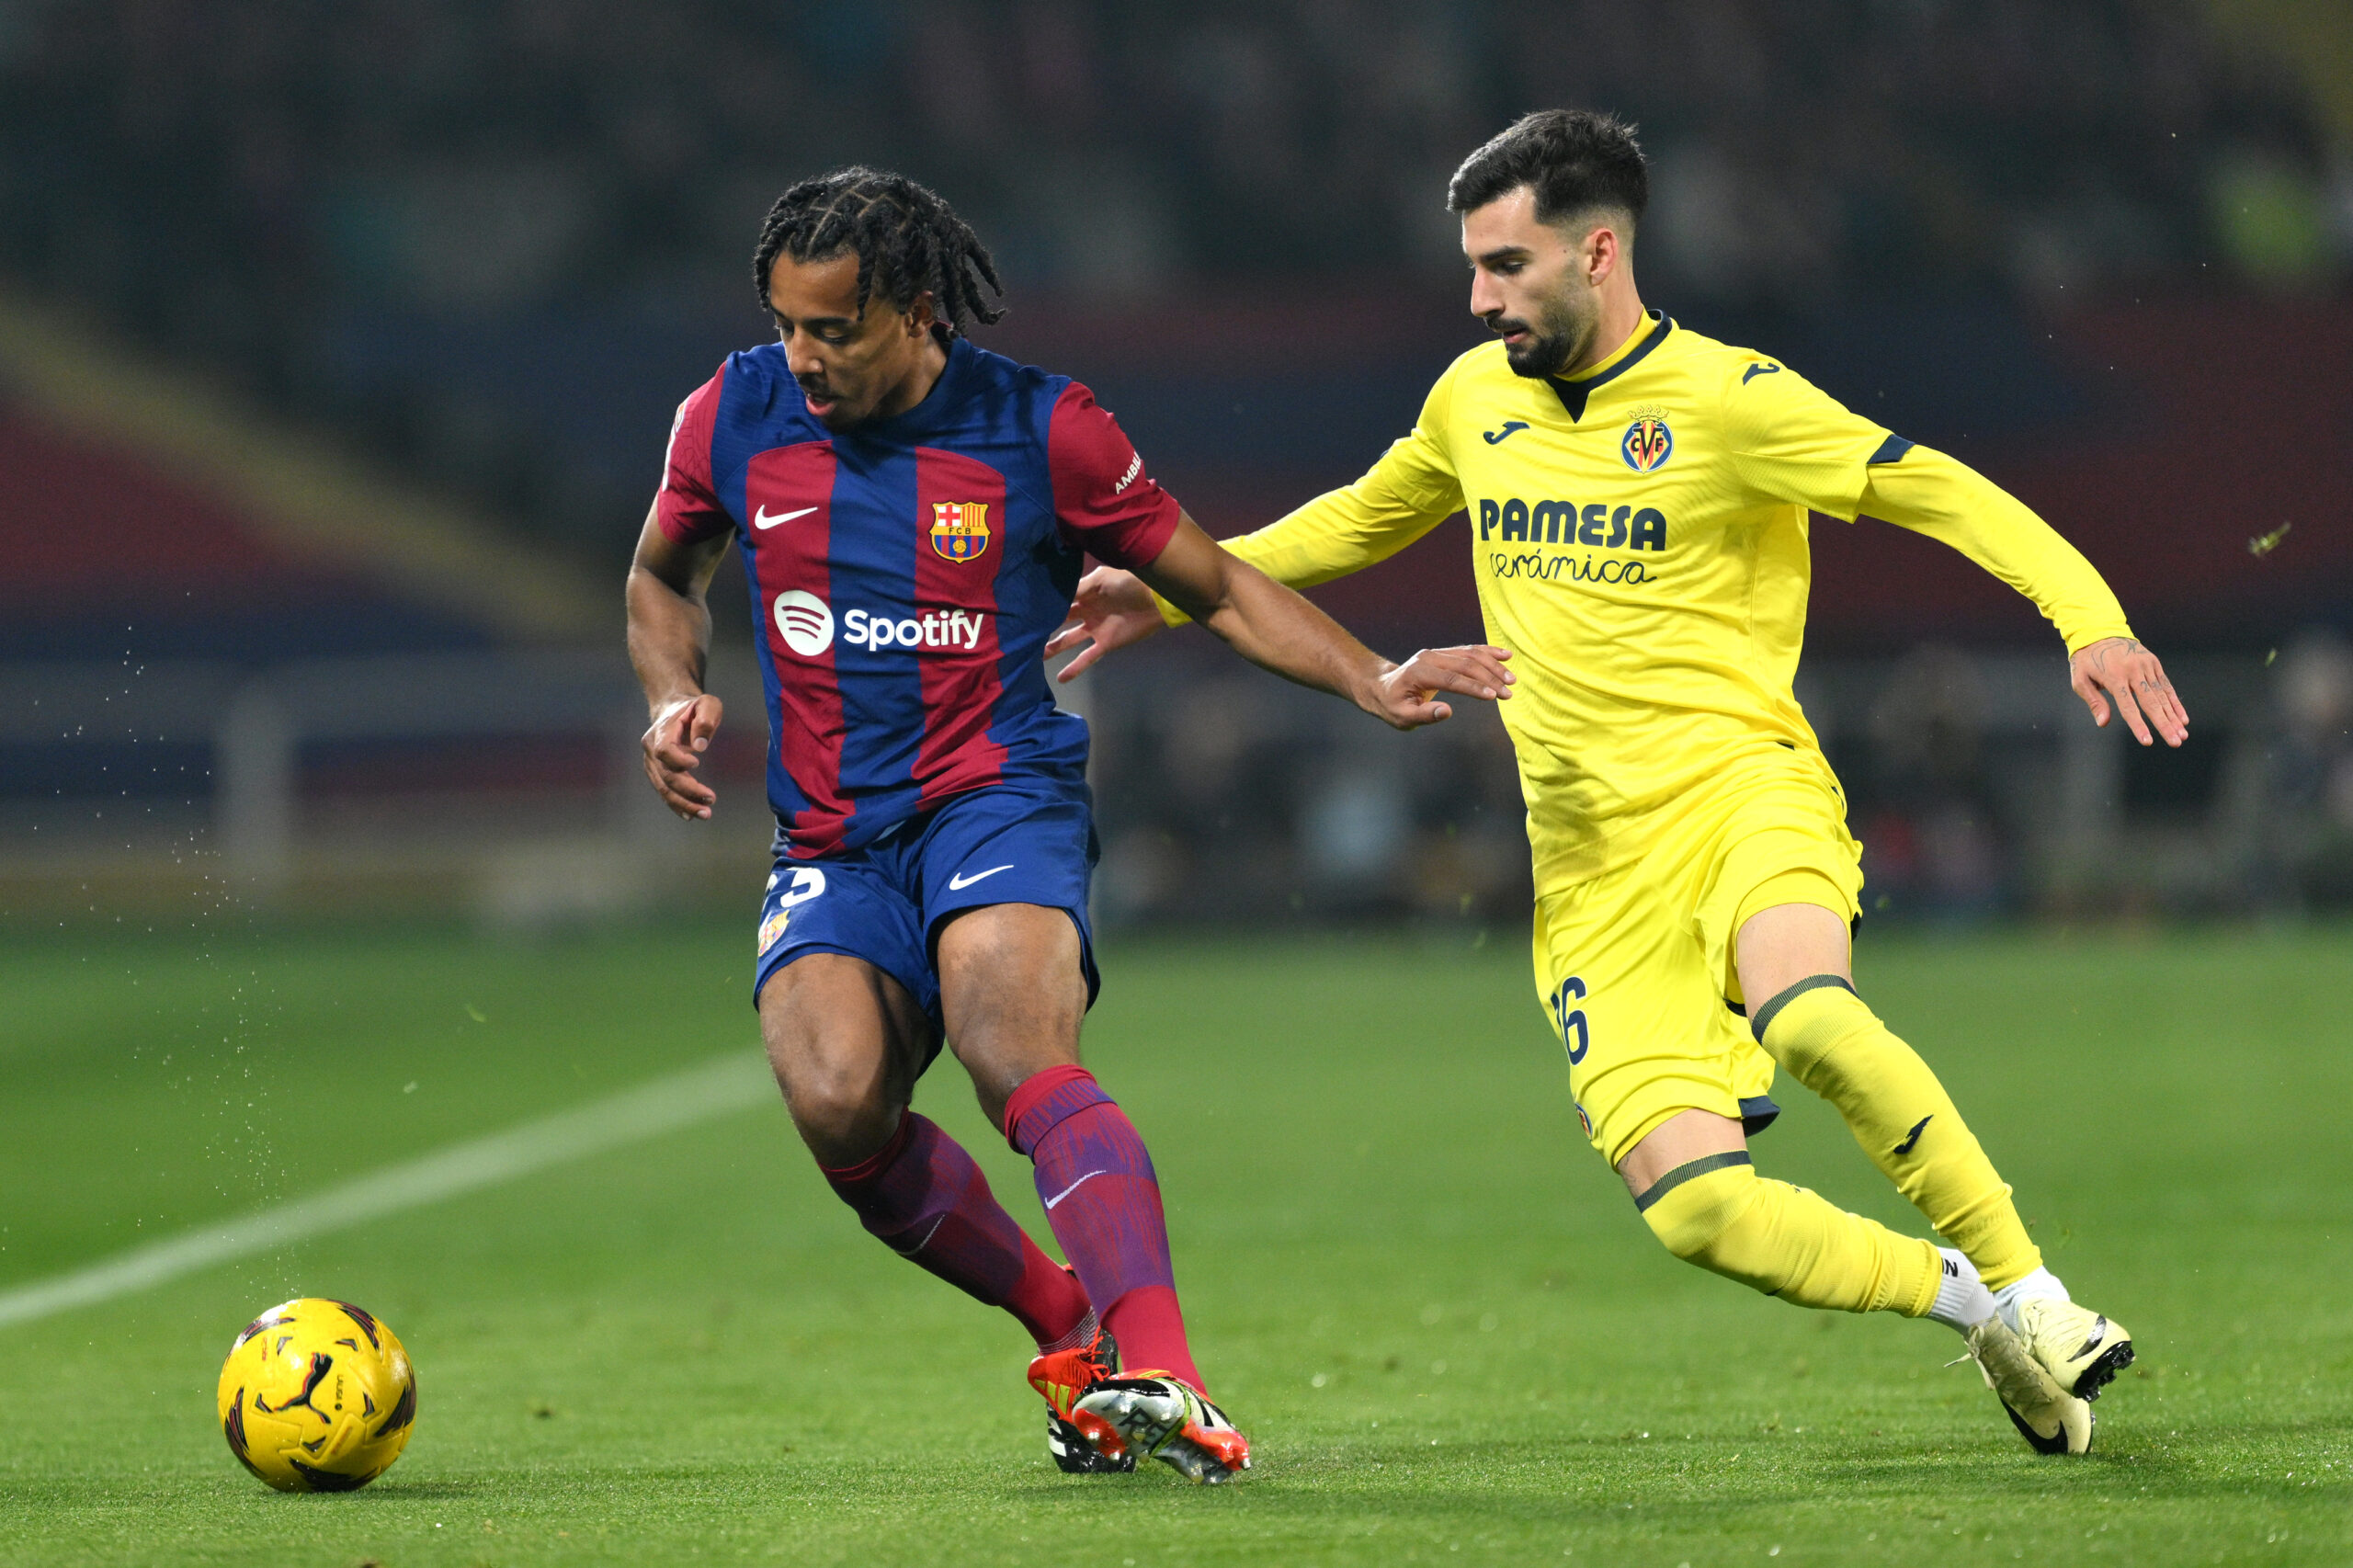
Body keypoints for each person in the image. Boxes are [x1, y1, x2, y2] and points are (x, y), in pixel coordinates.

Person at [1051, 111, 2189, 1456]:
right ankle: (1978, 1313)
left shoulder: (1732, 400)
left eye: (1507, 266)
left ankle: (2037, 1292)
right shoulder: (1474, 401)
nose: (1480, 299)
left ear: (1598, 252)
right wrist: (1170, 590)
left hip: (1743, 792)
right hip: (1591, 865)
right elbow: (1359, 516)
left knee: (1812, 1017)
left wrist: (2090, 618)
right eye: (1473, 268)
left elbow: (1934, 489)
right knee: (1699, 1210)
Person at [624, 166, 1510, 1483]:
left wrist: (1368, 677)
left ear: (917, 311)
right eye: (787, 325)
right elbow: (661, 575)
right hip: (830, 836)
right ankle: (1070, 1329)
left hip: (997, 795)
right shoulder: (730, 413)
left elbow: (1217, 585)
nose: (803, 358)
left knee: (1009, 1043)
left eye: (835, 330)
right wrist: (670, 694)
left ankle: (1167, 1369)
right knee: (837, 1100)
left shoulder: (1043, 427)